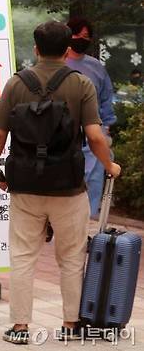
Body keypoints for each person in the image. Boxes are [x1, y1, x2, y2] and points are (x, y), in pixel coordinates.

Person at [0, 21, 121, 344]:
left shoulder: (16, 84)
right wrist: (110, 166)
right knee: (72, 256)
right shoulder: (81, 84)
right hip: (69, 187)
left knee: (22, 255)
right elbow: (94, 136)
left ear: (35, 49)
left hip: (26, 186)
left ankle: (20, 328)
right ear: (67, 49)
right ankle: (70, 325)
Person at [65, 18, 117, 219]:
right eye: (76, 35)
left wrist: (106, 127)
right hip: (64, 134)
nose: (80, 39)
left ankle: (88, 221)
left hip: (93, 132)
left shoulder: (96, 67)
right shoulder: (57, 64)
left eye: (85, 36)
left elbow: (106, 99)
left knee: (94, 179)